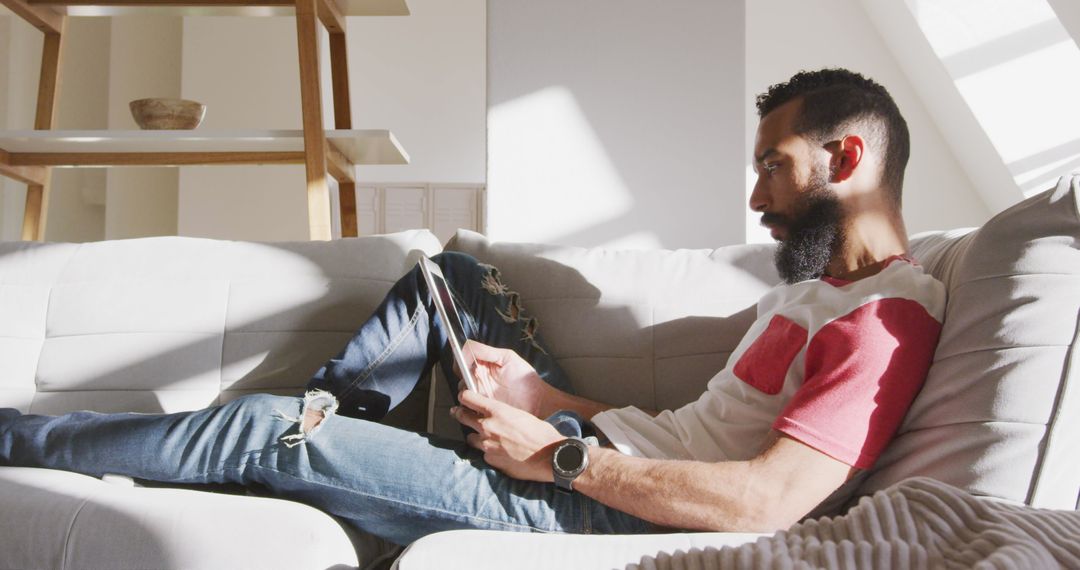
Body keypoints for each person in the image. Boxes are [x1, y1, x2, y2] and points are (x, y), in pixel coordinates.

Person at [0, 68, 944, 545]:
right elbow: (691, 437)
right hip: (609, 458)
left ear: (847, 160)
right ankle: (329, 447)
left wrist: (559, 456)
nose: (757, 199)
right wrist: (546, 400)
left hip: (597, 513)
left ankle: (34, 438)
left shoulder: (888, 318)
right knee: (448, 284)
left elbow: (767, 503)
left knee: (260, 430)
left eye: (773, 167)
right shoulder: (819, 290)